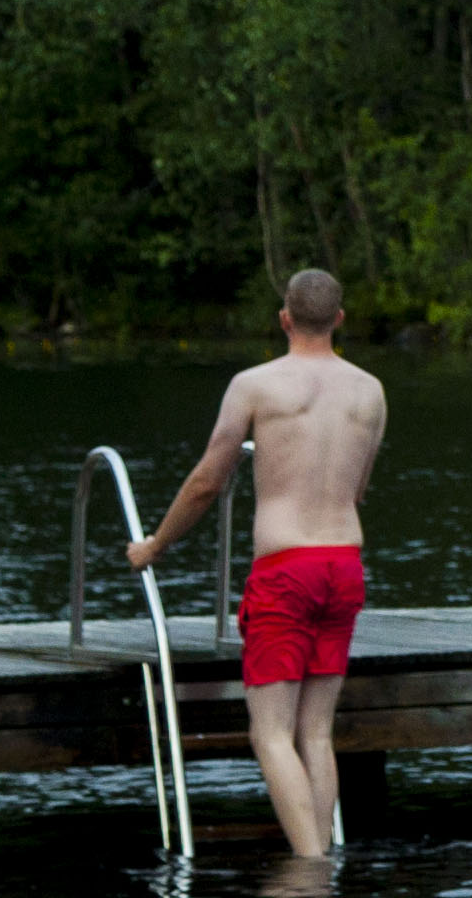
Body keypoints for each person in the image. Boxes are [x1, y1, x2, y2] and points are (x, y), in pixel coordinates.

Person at [129, 268, 390, 862]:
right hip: (344, 564)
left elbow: (205, 483)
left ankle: (310, 876)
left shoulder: (255, 384)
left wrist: (155, 546)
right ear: (340, 319)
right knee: (316, 732)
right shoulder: (370, 391)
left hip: (287, 569)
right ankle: (321, 864)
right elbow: (359, 487)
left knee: (270, 732)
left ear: (284, 319)